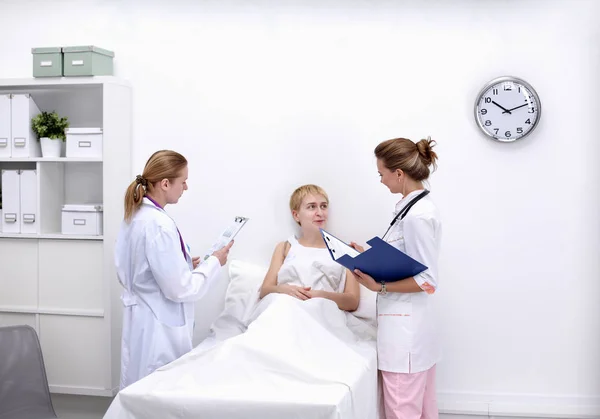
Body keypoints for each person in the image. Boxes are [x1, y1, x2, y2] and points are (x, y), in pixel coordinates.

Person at [114, 150, 233, 389]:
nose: (186, 187)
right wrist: (214, 263)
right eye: (183, 181)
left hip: (143, 319)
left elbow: (142, 270)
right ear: (166, 183)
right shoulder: (159, 224)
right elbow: (180, 289)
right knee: (156, 394)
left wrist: (185, 265)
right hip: (158, 327)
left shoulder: (136, 216)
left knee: (139, 393)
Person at [351, 137, 441, 419]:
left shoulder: (417, 216)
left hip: (406, 339)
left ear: (399, 174)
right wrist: (369, 256)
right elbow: (408, 261)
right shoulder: (411, 209)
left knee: (402, 411)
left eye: (381, 174)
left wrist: (380, 286)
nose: (381, 181)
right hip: (410, 334)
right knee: (422, 411)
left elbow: (427, 281)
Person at [259, 184, 360, 311]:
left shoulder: (344, 251)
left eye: (323, 206)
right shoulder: (285, 247)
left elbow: (352, 301)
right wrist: (284, 290)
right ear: (296, 215)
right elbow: (265, 290)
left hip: (321, 311)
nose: (320, 213)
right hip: (284, 308)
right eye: (312, 207)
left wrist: (321, 296)